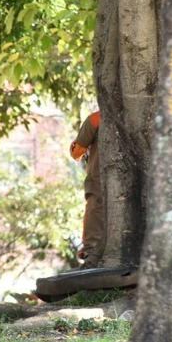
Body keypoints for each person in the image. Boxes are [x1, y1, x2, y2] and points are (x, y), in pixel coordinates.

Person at [70, 110, 103, 266]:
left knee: (95, 209)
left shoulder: (96, 118)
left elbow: (77, 153)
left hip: (97, 177)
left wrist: (75, 146)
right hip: (125, 178)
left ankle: (91, 248)